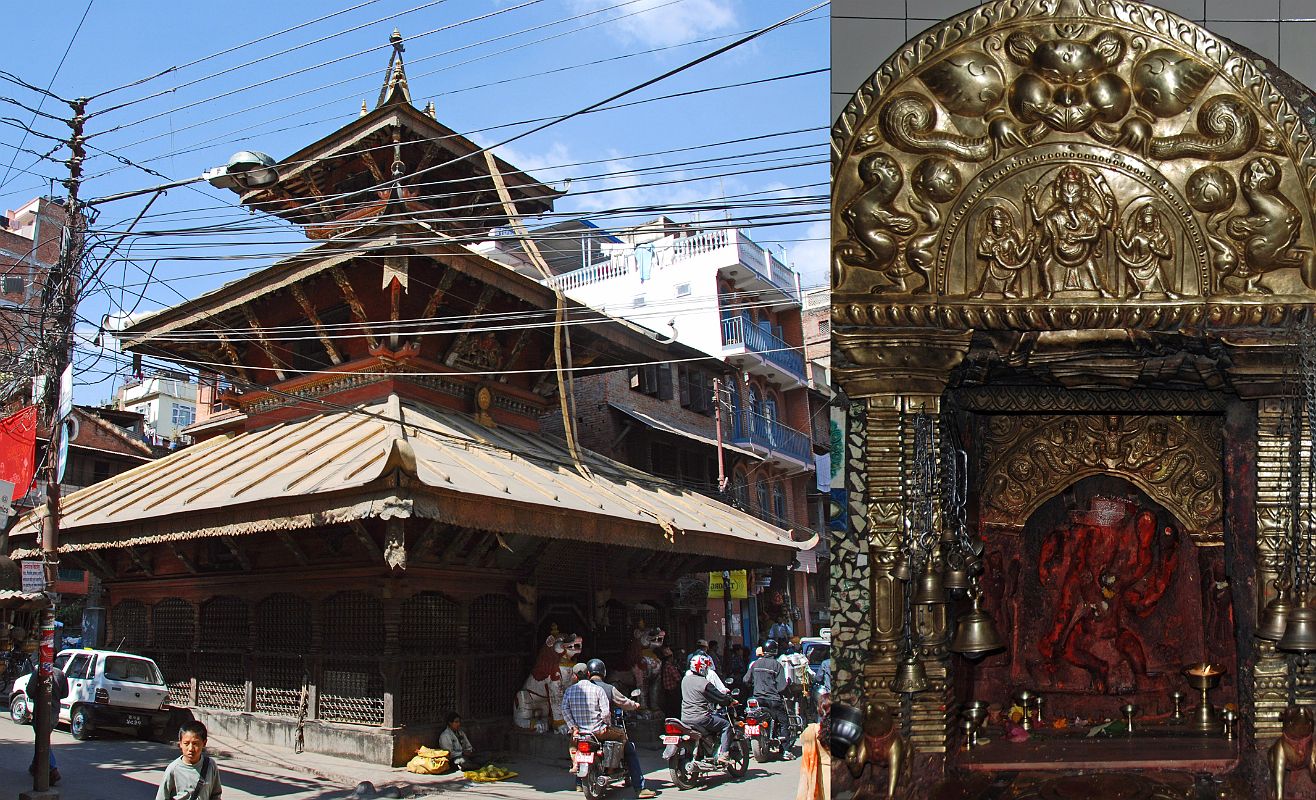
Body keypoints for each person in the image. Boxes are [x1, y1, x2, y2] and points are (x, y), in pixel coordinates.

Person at [562, 658, 657, 799]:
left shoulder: (569, 691)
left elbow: (565, 710)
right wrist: (606, 724)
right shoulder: (601, 689)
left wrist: (573, 727)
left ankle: (578, 782)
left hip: (580, 733)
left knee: (575, 746)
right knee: (628, 746)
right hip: (599, 730)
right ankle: (640, 788)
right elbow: (609, 711)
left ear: (575, 676)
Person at [680, 654, 735, 764]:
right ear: (701, 668)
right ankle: (724, 754)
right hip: (701, 718)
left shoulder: (685, 680)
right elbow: (720, 697)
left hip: (685, 718)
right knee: (726, 725)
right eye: (706, 667)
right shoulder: (704, 683)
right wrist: (730, 701)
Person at [744, 639, 794, 758]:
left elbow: (746, 680)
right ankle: (785, 750)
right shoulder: (776, 665)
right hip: (773, 700)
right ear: (774, 651)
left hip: (757, 700)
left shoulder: (755, 664)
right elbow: (781, 687)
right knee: (784, 722)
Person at [156, 720, 223, 800]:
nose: (190, 749)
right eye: (186, 743)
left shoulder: (210, 765)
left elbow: (216, 795)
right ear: (180, 743)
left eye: (195, 744)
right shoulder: (173, 769)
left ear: (204, 743)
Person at [28, 664, 68, 785]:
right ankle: (35, 765)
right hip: (54, 712)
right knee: (43, 739)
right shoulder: (60, 673)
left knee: (42, 741)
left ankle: (52, 767)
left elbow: (30, 691)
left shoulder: (39, 671)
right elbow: (65, 693)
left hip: (41, 711)